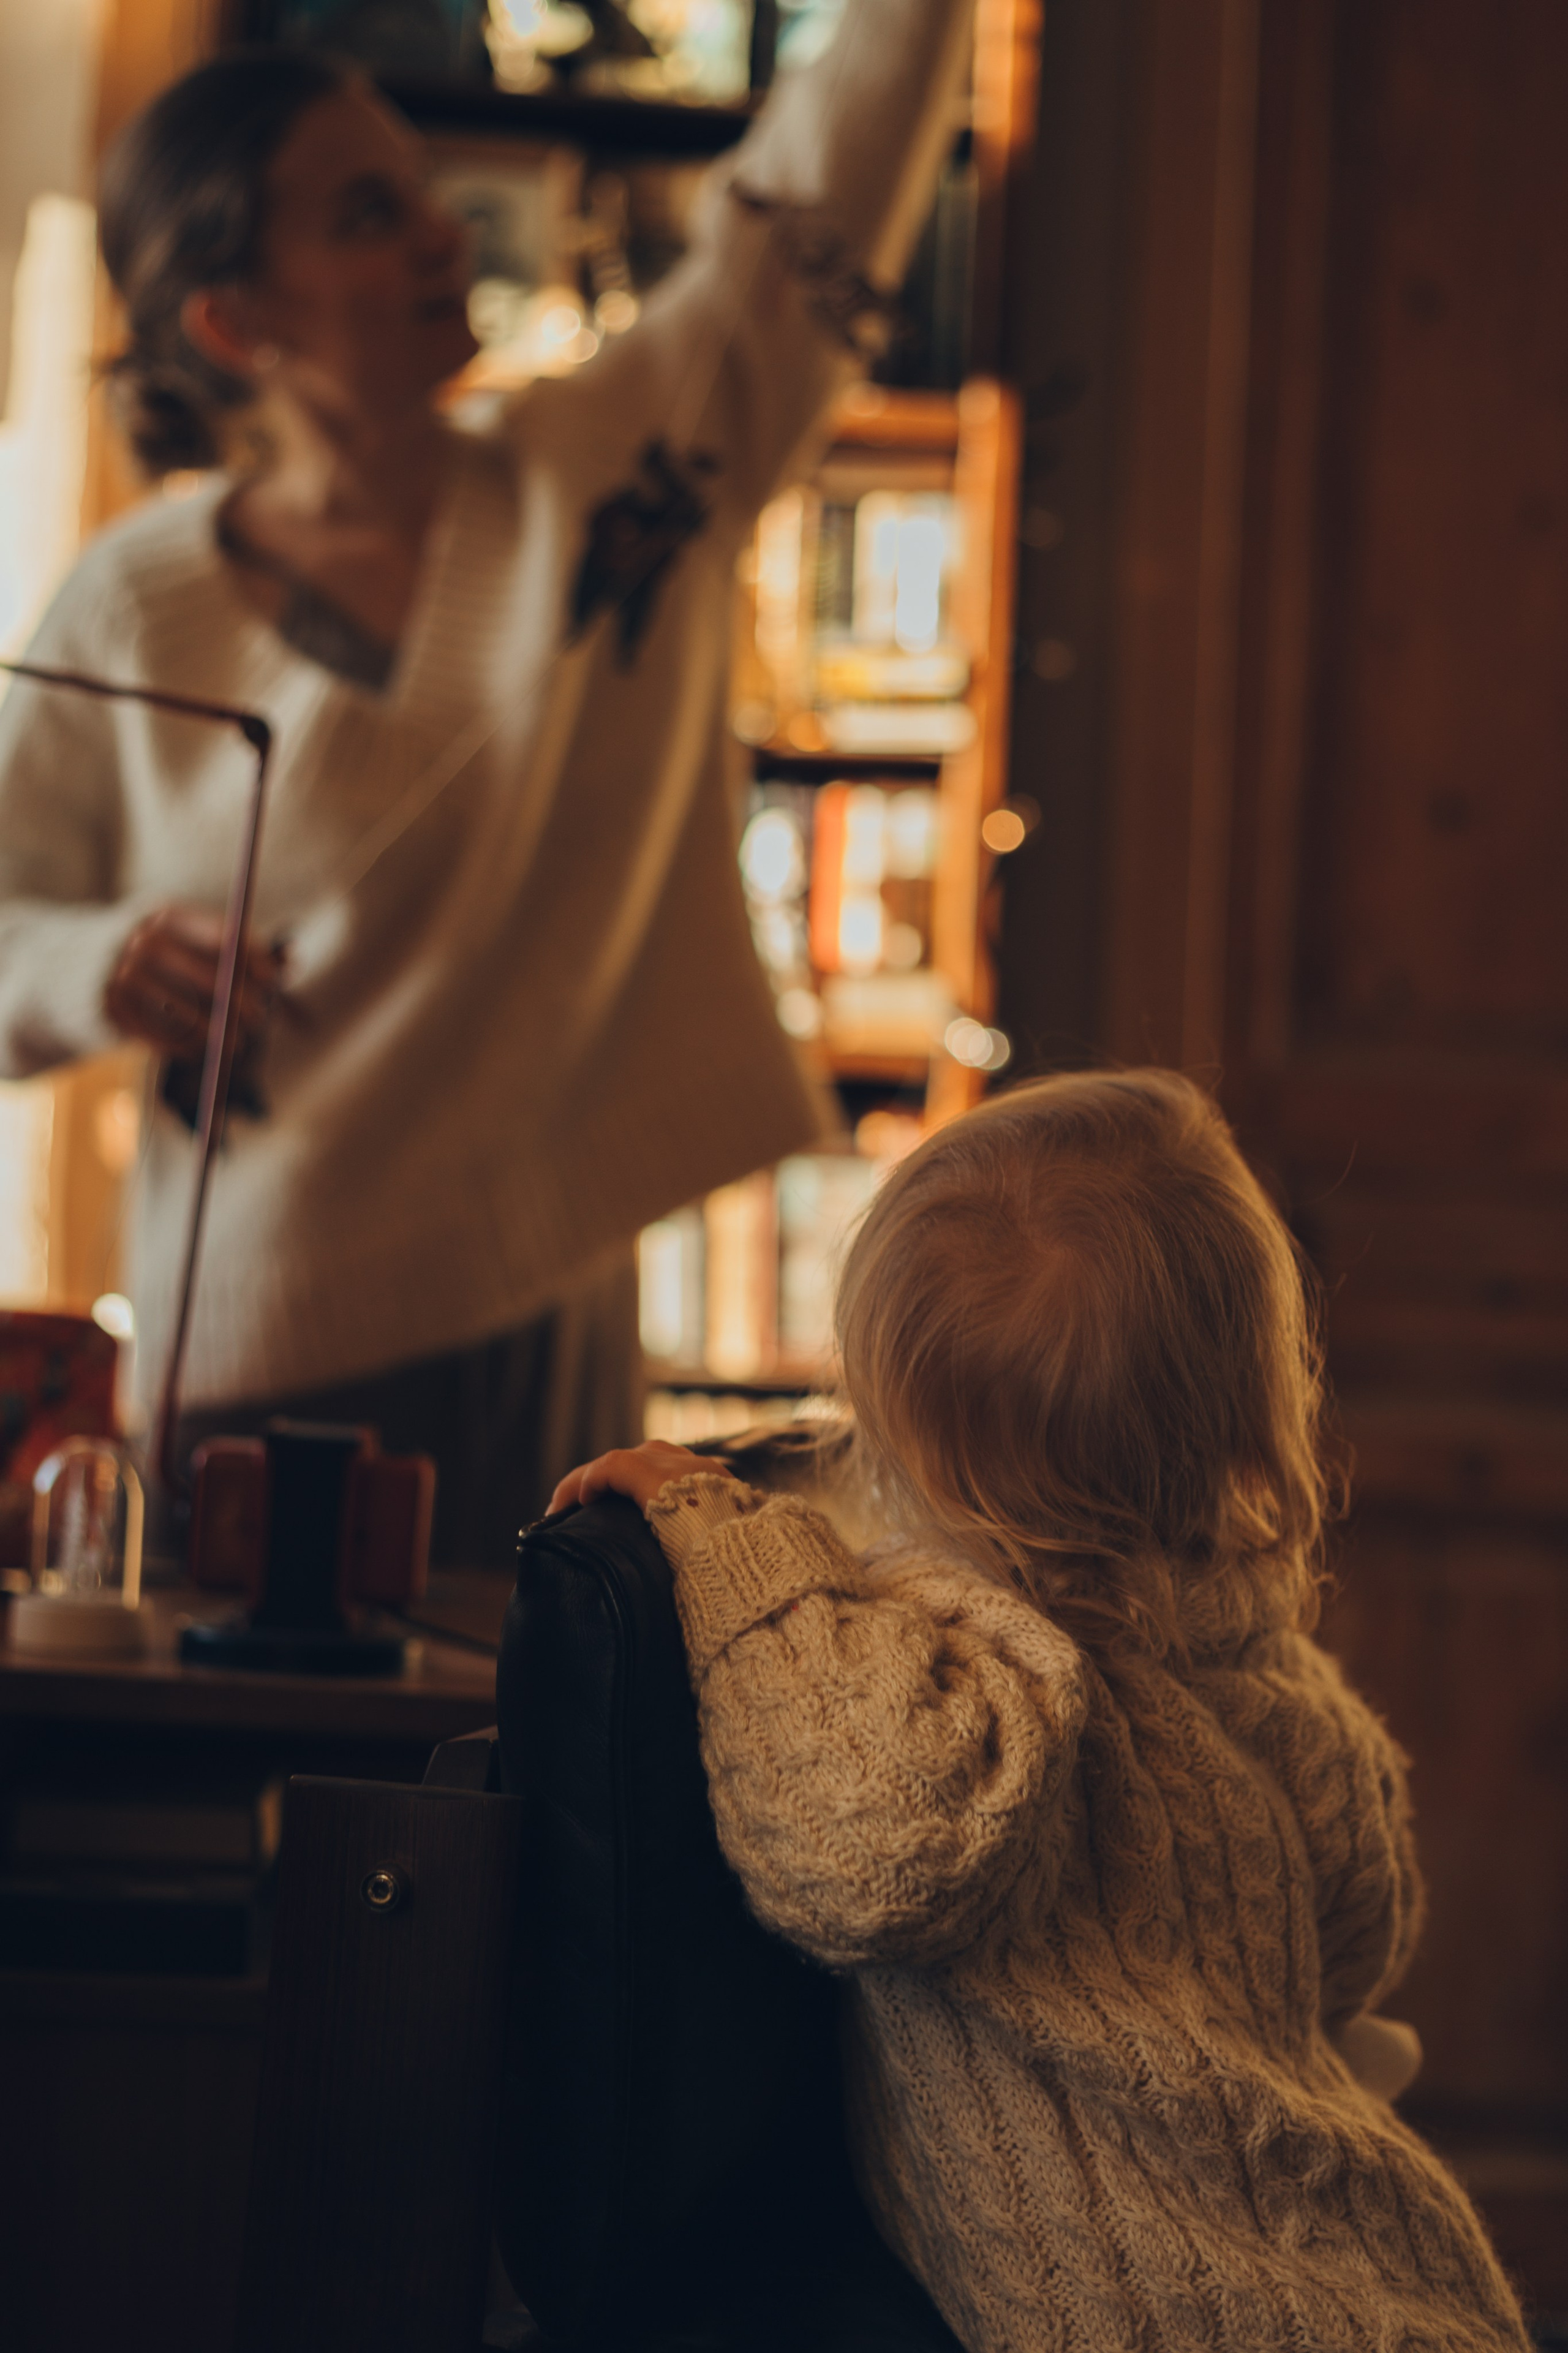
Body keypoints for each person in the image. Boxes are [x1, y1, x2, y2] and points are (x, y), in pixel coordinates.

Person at [0, 1, 971, 1560]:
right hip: (247, 1370)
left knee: (537, 1779)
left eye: (421, 187)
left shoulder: (605, 478)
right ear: (237, 324)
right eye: (364, 213)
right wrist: (93, 962)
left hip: (552, 1326)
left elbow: (814, 195)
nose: (441, 236)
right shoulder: (132, 602)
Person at [551, 1070, 1531, 2353]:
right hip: (1397, 2270)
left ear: (906, 1437)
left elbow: (859, 1856)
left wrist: (725, 1541)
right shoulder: (1254, 1666)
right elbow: (1360, 1922)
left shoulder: (954, 1665)